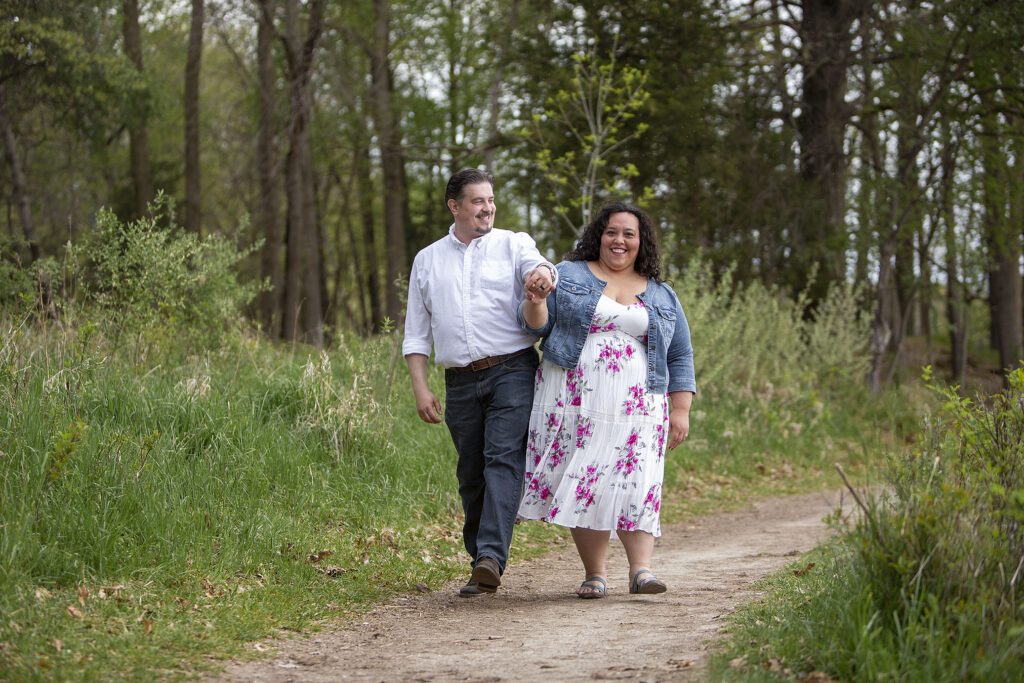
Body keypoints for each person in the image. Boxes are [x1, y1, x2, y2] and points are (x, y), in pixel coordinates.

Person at [516, 201, 696, 598]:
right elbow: (536, 325)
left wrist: (680, 409)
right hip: (575, 400)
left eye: (628, 234)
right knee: (587, 477)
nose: (619, 240)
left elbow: (680, 353)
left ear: (641, 241)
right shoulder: (569, 274)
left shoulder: (663, 295)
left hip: (641, 404)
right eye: (611, 232)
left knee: (638, 479)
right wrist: (536, 300)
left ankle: (641, 571)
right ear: (598, 235)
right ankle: (595, 573)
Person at [403, 168, 557, 597]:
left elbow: (540, 266)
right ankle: (480, 563)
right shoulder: (427, 260)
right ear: (454, 206)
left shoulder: (514, 243)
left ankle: (491, 556)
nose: (487, 207)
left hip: (512, 369)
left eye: (490, 200)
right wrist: (421, 387)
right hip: (459, 382)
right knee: (471, 473)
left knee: (502, 458)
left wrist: (542, 278)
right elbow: (417, 333)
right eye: (477, 201)